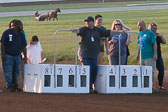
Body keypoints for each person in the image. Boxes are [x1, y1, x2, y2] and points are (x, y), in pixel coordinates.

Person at [72, 16, 111, 93]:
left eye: (88, 21)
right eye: (86, 21)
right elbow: (79, 31)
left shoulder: (98, 30)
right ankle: (89, 88)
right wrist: (75, 30)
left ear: (92, 22)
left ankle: (92, 86)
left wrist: (120, 32)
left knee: (94, 71)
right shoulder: (84, 30)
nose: (87, 23)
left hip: (94, 56)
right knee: (88, 71)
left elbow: (108, 32)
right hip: (85, 56)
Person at [1, 19, 27, 92]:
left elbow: (24, 46)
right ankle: (9, 85)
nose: (21, 26)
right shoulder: (7, 32)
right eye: (19, 25)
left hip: (17, 55)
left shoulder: (21, 34)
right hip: (8, 55)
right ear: (15, 26)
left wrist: (25, 56)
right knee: (8, 71)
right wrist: (3, 54)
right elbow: (2, 44)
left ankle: (15, 85)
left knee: (16, 71)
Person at [136, 20, 157, 90]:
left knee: (150, 72)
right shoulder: (140, 34)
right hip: (142, 56)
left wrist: (154, 54)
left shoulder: (150, 33)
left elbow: (154, 44)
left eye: (138, 25)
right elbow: (139, 45)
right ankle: (144, 86)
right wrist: (138, 54)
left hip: (149, 56)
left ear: (141, 25)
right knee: (142, 71)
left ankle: (153, 87)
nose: (137, 27)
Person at [148, 22, 166, 90]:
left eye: (156, 28)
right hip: (150, 56)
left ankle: (160, 85)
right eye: (153, 28)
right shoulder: (148, 35)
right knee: (151, 71)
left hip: (159, 56)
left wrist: (161, 36)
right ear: (150, 28)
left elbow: (164, 42)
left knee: (161, 70)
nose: (155, 30)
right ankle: (151, 85)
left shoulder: (157, 36)